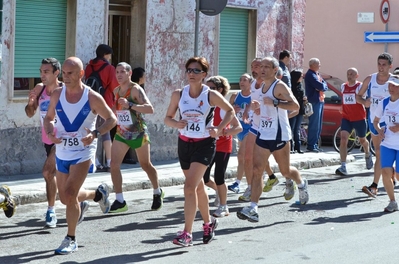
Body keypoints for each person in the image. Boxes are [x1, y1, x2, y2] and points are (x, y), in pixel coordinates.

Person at [43, 57, 116, 255]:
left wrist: (96, 134)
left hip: (83, 152)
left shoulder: (92, 97)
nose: (66, 77)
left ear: (81, 74)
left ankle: (71, 238)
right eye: (64, 73)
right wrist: (50, 133)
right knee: (66, 199)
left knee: (69, 194)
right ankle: (97, 194)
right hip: (62, 150)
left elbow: (111, 118)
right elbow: (49, 119)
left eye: (70, 73)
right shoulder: (57, 94)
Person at [164, 57, 234, 247]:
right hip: (184, 143)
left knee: (189, 187)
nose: (191, 74)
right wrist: (175, 123)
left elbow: (230, 112)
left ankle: (187, 233)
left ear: (204, 75)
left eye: (196, 71)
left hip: (204, 144)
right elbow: (167, 119)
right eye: (188, 70)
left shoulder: (210, 95)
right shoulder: (178, 94)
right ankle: (208, 223)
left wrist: (218, 129)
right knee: (198, 187)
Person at [237, 56, 309, 223]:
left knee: (285, 171)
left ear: (275, 70)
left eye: (267, 67)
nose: (262, 69)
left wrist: (276, 102)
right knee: (256, 170)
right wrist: (257, 109)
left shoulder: (280, 86)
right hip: (264, 133)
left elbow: (296, 107)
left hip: (279, 135)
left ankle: (301, 182)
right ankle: (253, 208)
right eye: (261, 66)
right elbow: (264, 108)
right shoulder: (262, 86)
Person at [109, 62, 163, 213]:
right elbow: (117, 109)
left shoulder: (135, 89)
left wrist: (130, 105)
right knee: (114, 164)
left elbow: (149, 108)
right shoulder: (116, 90)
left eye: (122, 72)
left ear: (129, 73)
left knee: (145, 165)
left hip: (138, 132)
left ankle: (157, 191)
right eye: (117, 72)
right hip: (122, 133)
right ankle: (120, 200)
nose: (119, 75)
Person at [25, 58, 65, 227]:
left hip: (62, 139)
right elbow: (29, 113)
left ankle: (51, 211)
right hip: (47, 140)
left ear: (56, 73)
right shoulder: (39, 89)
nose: (42, 75)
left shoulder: (64, 90)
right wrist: (31, 103)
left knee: (48, 173)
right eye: (41, 71)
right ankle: (91, 197)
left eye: (46, 72)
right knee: (59, 178)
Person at [356, 52, 398, 198]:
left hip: (390, 123)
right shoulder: (370, 79)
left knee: (381, 152)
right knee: (379, 152)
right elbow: (358, 96)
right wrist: (364, 102)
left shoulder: (394, 81)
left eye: (384, 65)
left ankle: (375, 185)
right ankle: (386, 178)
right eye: (379, 64)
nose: (381, 67)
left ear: (390, 66)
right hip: (374, 120)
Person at [202, 76, 242, 217]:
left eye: (211, 88)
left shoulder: (224, 107)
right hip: (208, 145)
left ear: (219, 90)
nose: (208, 91)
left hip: (223, 146)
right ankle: (219, 191)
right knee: (205, 178)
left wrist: (226, 131)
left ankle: (224, 207)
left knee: (219, 177)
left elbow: (239, 128)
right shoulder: (205, 105)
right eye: (206, 88)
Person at [85, 44, 119, 171]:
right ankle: (110, 162)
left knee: (92, 131)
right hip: (105, 103)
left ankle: (95, 161)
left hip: (90, 103)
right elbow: (114, 87)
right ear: (105, 54)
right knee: (105, 133)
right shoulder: (110, 68)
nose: (110, 57)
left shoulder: (89, 67)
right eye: (109, 55)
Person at [336, 68, 373, 175]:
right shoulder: (343, 86)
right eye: (348, 74)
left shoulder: (360, 87)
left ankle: (367, 153)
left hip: (359, 118)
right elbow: (344, 100)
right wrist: (342, 107)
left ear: (357, 76)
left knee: (362, 140)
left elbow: (363, 101)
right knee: (343, 139)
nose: (349, 75)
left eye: (352, 74)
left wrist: (361, 100)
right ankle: (343, 166)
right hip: (346, 117)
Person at [373, 80, 399, 212]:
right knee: (385, 172)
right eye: (390, 85)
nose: (391, 88)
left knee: (398, 176)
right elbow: (375, 121)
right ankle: (393, 202)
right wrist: (379, 130)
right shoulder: (384, 102)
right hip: (387, 143)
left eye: (394, 85)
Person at [227, 73, 253, 194]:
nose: (242, 82)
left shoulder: (254, 96)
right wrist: (233, 109)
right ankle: (264, 178)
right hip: (239, 129)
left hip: (250, 130)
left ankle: (239, 183)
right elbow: (227, 110)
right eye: (240, 79)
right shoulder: (235, 96)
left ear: (250, 83)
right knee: (242, 159)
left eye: (245, 80)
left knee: (241, 155)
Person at [123, 66, 146, 165]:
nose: (145, 78)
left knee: (146, 164)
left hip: (128, 119)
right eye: (144, 76)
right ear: (140, 77)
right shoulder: (137, 89)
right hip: (134, 120)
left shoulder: (134, 88)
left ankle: (127, 157)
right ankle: (127, 157)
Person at [304, 58, 328, 152]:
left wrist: (322, 86)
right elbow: (320, 86)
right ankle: (311, 145)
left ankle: (315, 144)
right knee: (314, 124)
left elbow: (325, 84)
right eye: (318, 64)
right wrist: (322, 86)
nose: (320, 65)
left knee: (318, 124)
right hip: (314, 101)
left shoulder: (317, 74)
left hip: (320, 100)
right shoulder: (310, 74)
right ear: (312, 65)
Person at [289, 70, 306, 154]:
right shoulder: (291, 86)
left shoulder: (300, 85)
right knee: (291, 128)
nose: (302, 78)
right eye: (301, 76)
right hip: (293, 109)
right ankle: (291, 147)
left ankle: (298, 147)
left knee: (297, 129)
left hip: (300, 109)